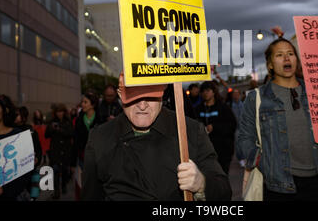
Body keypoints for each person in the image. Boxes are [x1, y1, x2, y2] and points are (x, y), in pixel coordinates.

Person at [81, 73, 232, 201]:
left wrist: (201, 184)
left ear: (162, 93)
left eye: (150, 96)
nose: (142, 105)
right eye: (134, 96)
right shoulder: (100, 139)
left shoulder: (189, 131)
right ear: (120, 95)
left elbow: (224, 191)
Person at [238, 37, 318, 201]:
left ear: (297, 59)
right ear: (270, 65)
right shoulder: (256, 98)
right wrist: (263, 162)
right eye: (279, 55)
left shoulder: (316, 92)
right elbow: (245, 138)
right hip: (278, 186)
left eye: (290, 53)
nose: (287, 58)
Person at [194, 81, 237, 175]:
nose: (205, 93)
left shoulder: (223, 108)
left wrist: (215, 127)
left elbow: (232, 125)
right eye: (203, 91)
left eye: (208, 90)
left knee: (222, 176)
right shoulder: (198, 109)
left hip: (223, 150)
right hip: (205, 151)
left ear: (213, 92)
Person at [71, 91, 101, 200]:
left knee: (96, 187)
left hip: (97, 159)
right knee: (82, 187)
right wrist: (72, 163)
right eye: (82, 102)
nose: (82, 104)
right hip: (82, 158)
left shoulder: (100, 119)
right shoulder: (79, 120)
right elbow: (75, 142)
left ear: (92, 104)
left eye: (85, 102)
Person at [45, 103, 74, 200]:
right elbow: (46, 135)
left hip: (66, 151)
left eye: (61, 111)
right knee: (55, 171)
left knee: (65, 171)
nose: (59, 113)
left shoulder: (68, 121)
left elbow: (70, 133)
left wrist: (59, 129)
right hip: (55, 151)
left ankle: (64, 185)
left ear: (64, 112)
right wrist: (51, 128)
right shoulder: (52, 122)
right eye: (58, 111)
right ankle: (56, 192)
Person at [226, 89, 245, 167]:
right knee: (238, 145)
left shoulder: (244, 104)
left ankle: (245, 158)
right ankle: (241, 159)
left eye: (237, 94)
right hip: (235, 128)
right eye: (234, 94)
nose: (236, 95)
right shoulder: (229, 105)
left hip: (244, 128)